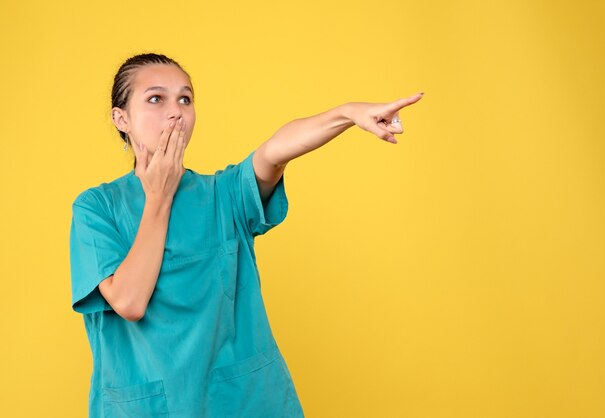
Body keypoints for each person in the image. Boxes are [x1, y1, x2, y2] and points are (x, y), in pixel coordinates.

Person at [69, 52, 423, 417]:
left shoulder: (224, 195)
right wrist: (159, 195)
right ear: (121, 118)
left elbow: (276, 150)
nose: (175, 112)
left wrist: (347, 114)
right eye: (156, 99)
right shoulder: (97, 208)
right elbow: (129, 302)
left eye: (185, 99)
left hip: (242, 401)